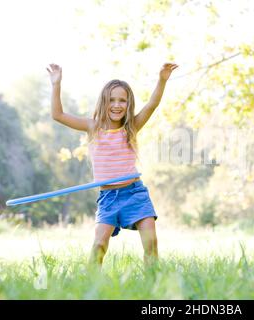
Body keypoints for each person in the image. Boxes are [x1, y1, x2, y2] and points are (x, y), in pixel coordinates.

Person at [46, 62, 179, 269]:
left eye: (122, 101)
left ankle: (153, 282)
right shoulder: (93, 127)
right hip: (108, 198)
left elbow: (152, 104)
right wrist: (56, 84)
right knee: (99, 244)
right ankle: (92, 281)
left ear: (128, 104)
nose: (117, 105)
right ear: (103, 102)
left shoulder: (131, 127)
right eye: (112, 100)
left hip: (135, 193)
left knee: (151, 242)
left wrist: (162, 80)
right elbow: (58, 115)